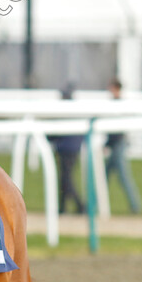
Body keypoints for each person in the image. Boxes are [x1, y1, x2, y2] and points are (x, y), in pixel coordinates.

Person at [104, 78, 142, 213]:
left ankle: (135, 206)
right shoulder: (116, 103)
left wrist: (107, 144)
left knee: (122, 178)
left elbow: (117, 129)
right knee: (104, 176)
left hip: (118, 144)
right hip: (116, 143)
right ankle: (93, 204)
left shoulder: (118, 104)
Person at [48, 85, 85, 214]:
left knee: (66, 180)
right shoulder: (75, 110)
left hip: (67, 150)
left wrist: (49, 138)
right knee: (64, 179)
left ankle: (80, 206)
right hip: (72, 149)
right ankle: (63, 208)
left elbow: (57, 132)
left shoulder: (65, 110)